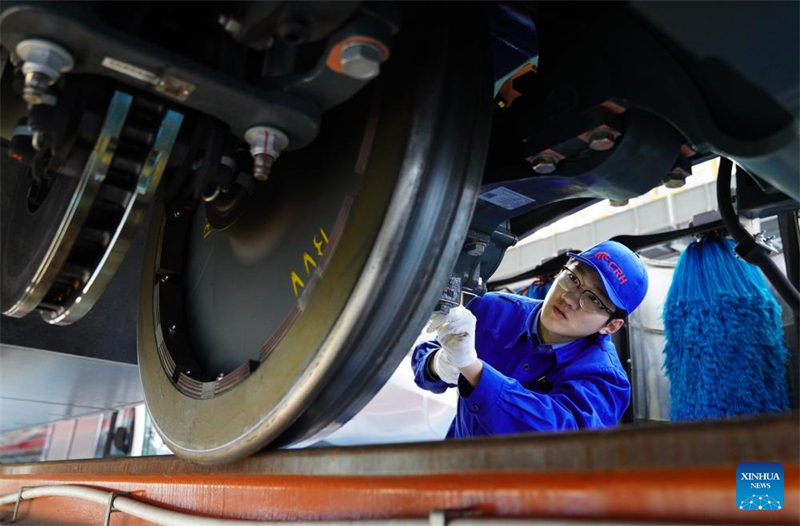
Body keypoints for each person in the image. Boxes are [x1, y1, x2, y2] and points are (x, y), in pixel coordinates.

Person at [412, 240, 649, 438]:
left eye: (593, 300)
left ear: (611, 326)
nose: (569, 297)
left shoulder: (605, 380)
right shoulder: (492, 310)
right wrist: (438, 364)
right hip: (455, 479)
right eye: (573, 278)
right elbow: (424, 358)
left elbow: (559, 438)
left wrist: (473, 371)